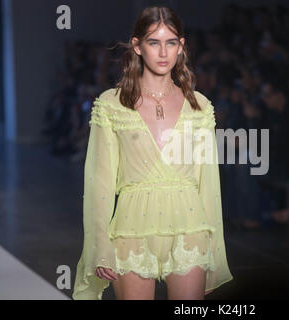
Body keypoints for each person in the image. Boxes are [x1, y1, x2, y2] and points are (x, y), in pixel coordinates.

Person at [72, 6, 233, 300]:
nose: (163, 52)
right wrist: (100, 245)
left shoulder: (199, 106)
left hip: (190, 226)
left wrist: (216, 254)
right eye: (153, 42)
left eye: (171, 42)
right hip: (131, 229)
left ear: (181, 46)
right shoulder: (111, 105)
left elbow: (209, 185)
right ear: (137, 45)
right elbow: (100, 183)